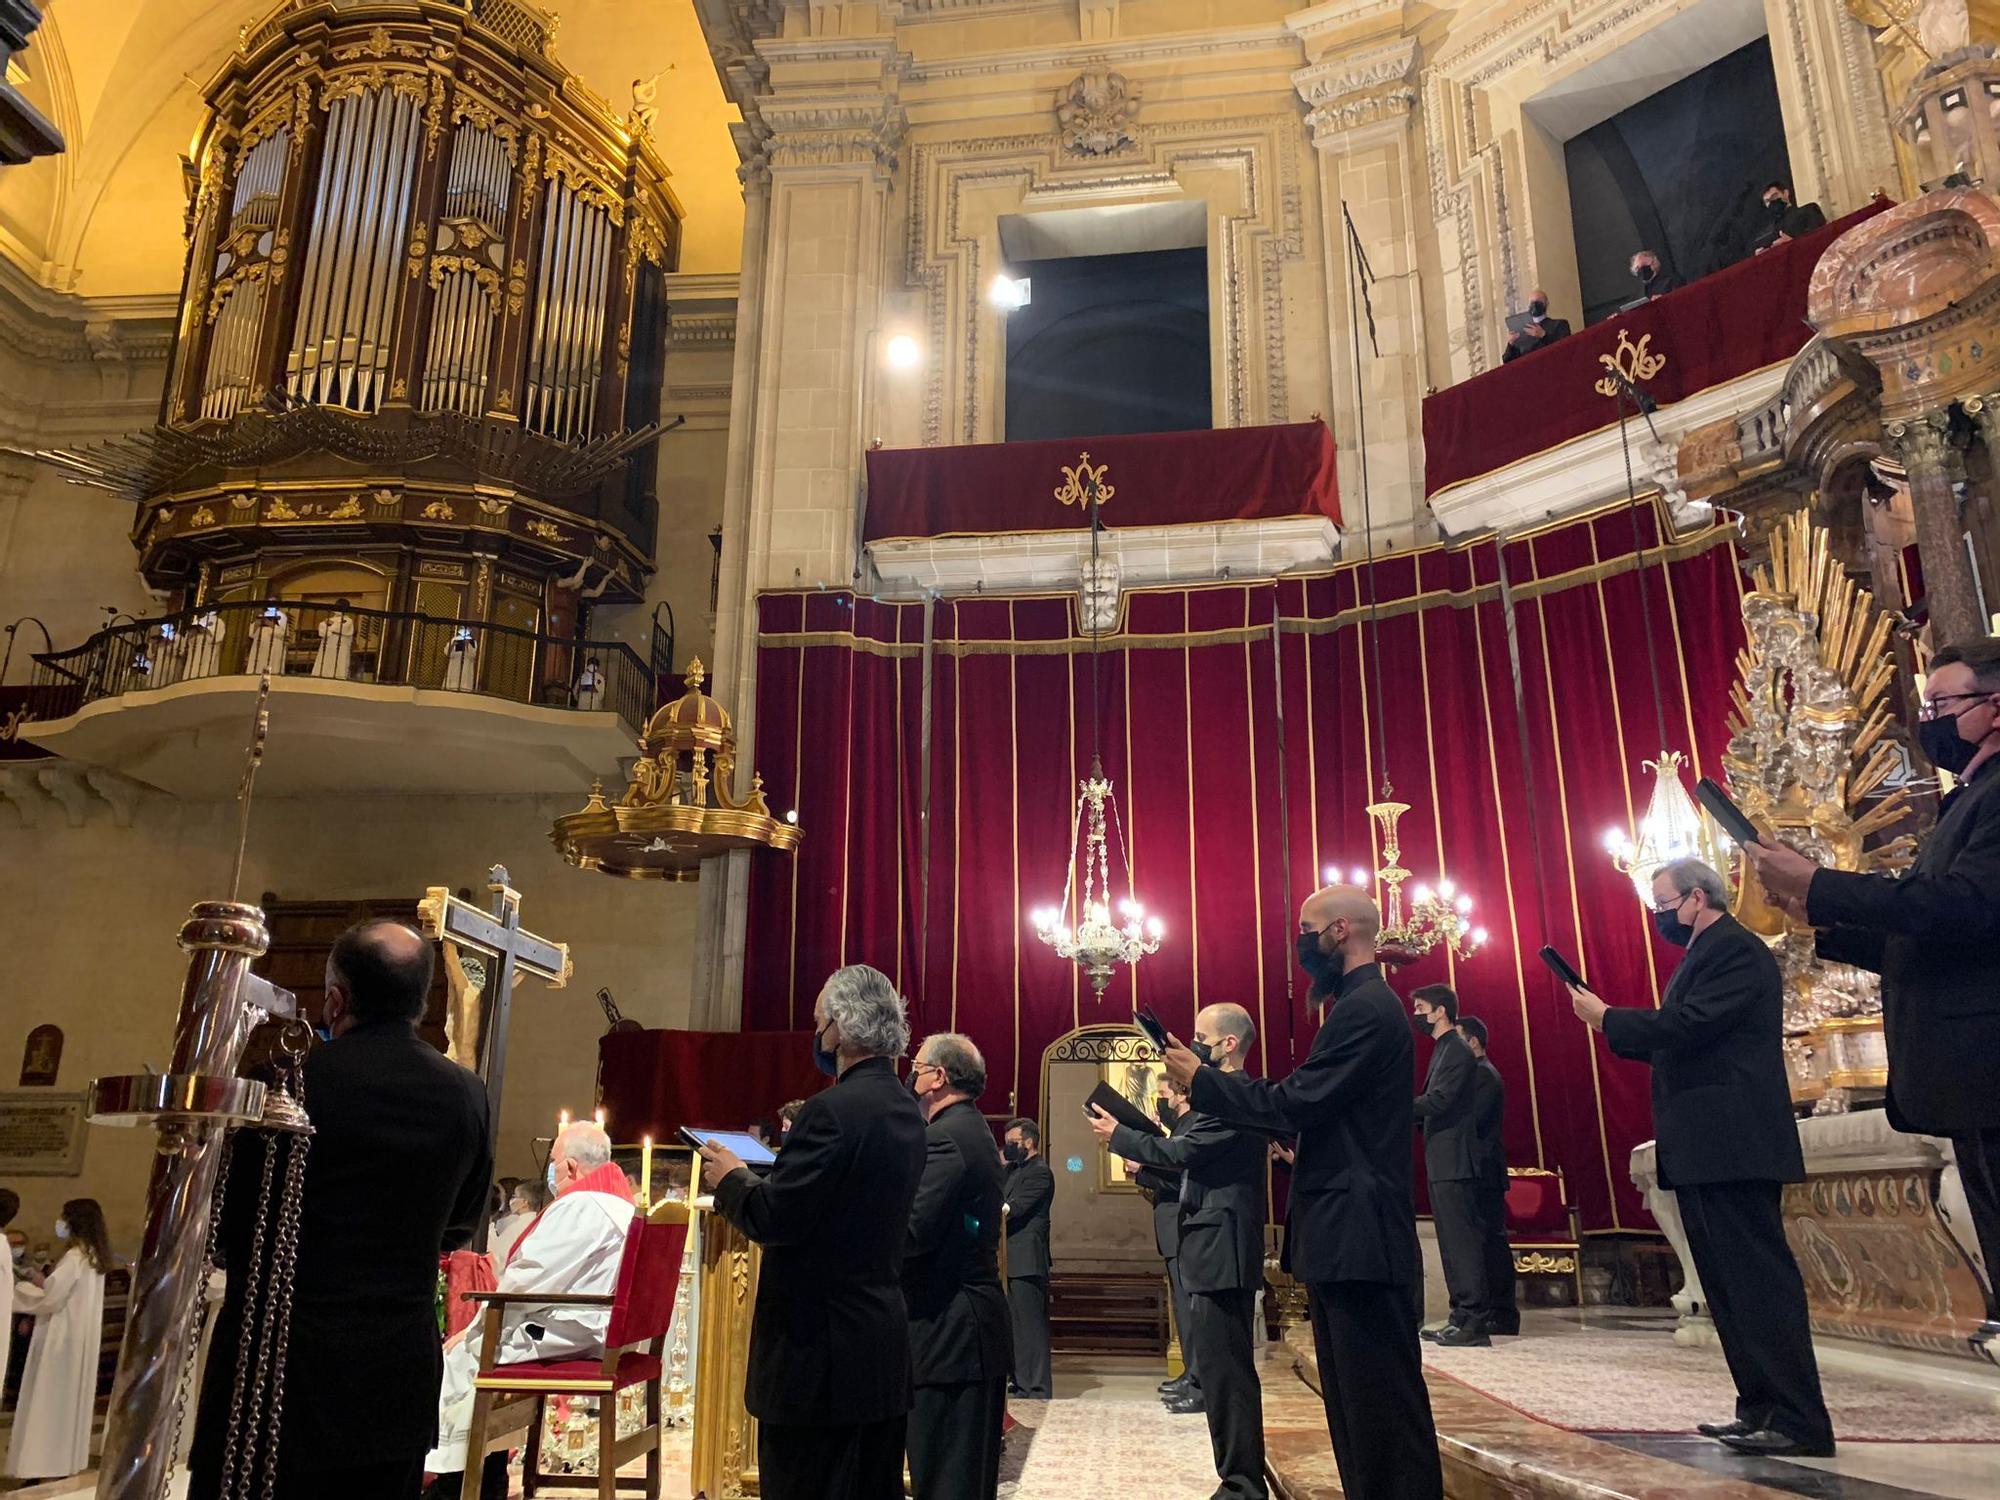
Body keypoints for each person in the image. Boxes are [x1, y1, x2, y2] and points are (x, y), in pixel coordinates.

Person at [1747, 636, 2000, 1348]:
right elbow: (1934, 936)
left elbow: (1964, 909)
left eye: (1942, 703)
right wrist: (1824, 917)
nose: (1929, 720)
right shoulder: (1968, 801)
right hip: (1975, 1078)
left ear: (1995, 707)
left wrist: (1823, 882)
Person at [189, 919, 492, 1500]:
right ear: (421, 1000)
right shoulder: (464, 1093)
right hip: (395, 1372)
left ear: (335, 999)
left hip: (278, 1373)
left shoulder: (284, 1085)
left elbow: (227, 1225)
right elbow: (459, 1224)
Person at [1164, 884, 1442, 1500]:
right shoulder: (1357, 1005)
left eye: (1306, 929)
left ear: (1340, 930)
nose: (1300, 943)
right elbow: (1330, 1117)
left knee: (1380, 1412)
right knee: (1357, 1411)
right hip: (1349, 1234)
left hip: (1359, 1237)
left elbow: (1297, 1100)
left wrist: (1204, 1083)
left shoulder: (1367, 1008)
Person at [1570, 858, 1833, 1458]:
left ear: (1696, 897)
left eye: (1663, 904)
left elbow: (1689, 1025)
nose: (1658, 915)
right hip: (1710, 1146)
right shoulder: (1704, 955)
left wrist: (1610, 1018)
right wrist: (1616, 1024)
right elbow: (1684, 1038)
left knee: (1757, 1285)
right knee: (1729, 1288)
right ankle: (1760, 1407)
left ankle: (1797, 1418)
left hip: (1734, 1143)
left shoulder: (1734, 951)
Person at [697, 964, 927, 1500]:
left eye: (819, 1020)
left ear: (841, 1028)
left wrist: (733, 1180)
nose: (816, 1032)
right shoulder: (904, 1109)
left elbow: (777, 1219)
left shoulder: (830, 1111)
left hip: (816, 1359)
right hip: (877, 1346)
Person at [1093, 1005, 1268, 1500]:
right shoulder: (1221, 1100)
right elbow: (1181, 1162)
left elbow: (1182, 1154)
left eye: (1199, 1036)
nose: (1190, 1045)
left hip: (1222, 1251)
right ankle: (1237, 1479)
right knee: (1218, 1372)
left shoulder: (1234, 1099)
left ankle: (1244, 1486)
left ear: (1229, 1044)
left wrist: (1121, 1137)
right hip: (1209, 1249)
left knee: (1228, 1375)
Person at [426, 1121, 637, 1493]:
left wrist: (473, 1330)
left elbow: (528, 1281)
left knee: (459, 1359)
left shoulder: (582, 1206)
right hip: (594, 1326)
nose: (551, 1173)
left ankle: (461, 1483)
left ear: (571, 1167)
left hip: (573, 1330)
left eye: (553, 1162)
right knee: (474, 1348)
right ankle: (487, 1473)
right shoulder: (619, 1203)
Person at [904, 1033, 1011, 1500]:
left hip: (951, 1330)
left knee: (947, 1477)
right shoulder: (972, 1129)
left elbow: (913, 1233)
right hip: (967, 1327)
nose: (912, 1073)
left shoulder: (946, 1138)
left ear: (938, 1078)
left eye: (918, 1066)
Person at [6, 1198, 112, 1482]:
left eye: (63, 1217)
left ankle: (39, 1462)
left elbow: (53, 1297)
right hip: (78, 1339)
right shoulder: (94, 1256)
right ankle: (62, 1459)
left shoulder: (75, 1257)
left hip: (59, 1338)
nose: (59, 1223)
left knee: (47, 1399)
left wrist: (23, 1288)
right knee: (65, 1402)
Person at [1410, 985, 1487, 1346]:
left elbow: (1439, 1101)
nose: (1417, 1015)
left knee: (1461, 1242)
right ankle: (1460, 1314)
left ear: (1440, 1011)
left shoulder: (1455, 1048)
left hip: (1455, 1159)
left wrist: (1393, 1105)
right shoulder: (1444, 1049)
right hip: (1443, 1158)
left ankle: (1472, 1320)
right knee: (1451, 1242)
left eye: (1421, 1007)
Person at [1132, 1074, 1199, 1407]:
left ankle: (1197, 1378)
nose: (1161, 1102)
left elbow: (1178, 1182)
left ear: (1180, 1095)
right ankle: (1190, 1373)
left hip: (1180, 1229)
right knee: (1181, 1309)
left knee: (1188, 1309)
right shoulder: (1179, 1131)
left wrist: (1141, 1170)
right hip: (1171, 1232)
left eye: (1163, 1094)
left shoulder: (1189, 1128)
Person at [1455, 1017, 1517, 1336]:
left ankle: (1503, 1312)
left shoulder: (1483, 1075)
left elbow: (1472, 1121)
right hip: (1475, 1168)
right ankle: (1485, 1308)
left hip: (1483, 1170)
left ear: (1475, 1043)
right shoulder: (1474, 1074)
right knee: (1481, 1244)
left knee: (1491, 1244)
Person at [1001, 1116, 1055, 1400]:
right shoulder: (1012, 1170)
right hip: (1009, 1260)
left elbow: (1015, 1207)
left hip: (1027, 1259)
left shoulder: (1040, 1172)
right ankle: (1021, 1381)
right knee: (1015, 1326)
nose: (1008, 1148)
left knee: (1030, 1328)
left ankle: (1036, 1386)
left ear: (1029, 1142)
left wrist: (996, 1210)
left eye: (1013, 1143)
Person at [490, 1178, 548, 1268]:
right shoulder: (541, 1225)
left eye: (514, 1196)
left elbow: (498, 1259)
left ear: (524, 1202)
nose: (511, 1200)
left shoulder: (515, 1228)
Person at [1501, 288, 1570, 363]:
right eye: (1532, 302)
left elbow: (1565, 348)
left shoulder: (1559, 325)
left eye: (1538, 301)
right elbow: (1507, 361)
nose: (1535, 305)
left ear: (1546, 303)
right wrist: (1511, 344)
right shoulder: (1522, 330)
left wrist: (1543, 335)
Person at [1754, 181, 1826, 251]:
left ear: (1785, 193)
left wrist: (1793, 243)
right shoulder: (1769, 232)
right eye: (1767, 201)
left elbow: (1822, 237)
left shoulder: (1809, 210)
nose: (1772, 202)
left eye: (1774, 196)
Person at [312, 598, 356, 680]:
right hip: (328, 643)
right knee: (325, 662)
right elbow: (322, 628)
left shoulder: (348, 620)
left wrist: (331, 626)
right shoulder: (329, 619)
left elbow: (342, 628)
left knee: (339, 663)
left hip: (341, 645)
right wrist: (332, 626)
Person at [245, 597, 289, 675]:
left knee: (270, 665)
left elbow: (283, 633)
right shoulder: (262, 615)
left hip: (274, 645)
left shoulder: (282, 616)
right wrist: (257, 624)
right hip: (260, 644)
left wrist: (269, 623)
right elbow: (251, 633)